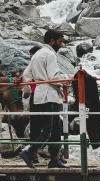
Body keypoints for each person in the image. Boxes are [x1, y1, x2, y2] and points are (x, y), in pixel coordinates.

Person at [17, 30, 69, 169]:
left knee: (54, 128)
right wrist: (65, 79)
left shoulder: (37, 54)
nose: (61, 44)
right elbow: (53, 78)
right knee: (50, 130)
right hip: (50, 96)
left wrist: (32, 85)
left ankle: (54, 159)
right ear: (52, 41)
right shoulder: (50, 54)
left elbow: (26, 74)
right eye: (59, 41)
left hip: (39, 95)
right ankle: (28, 151)